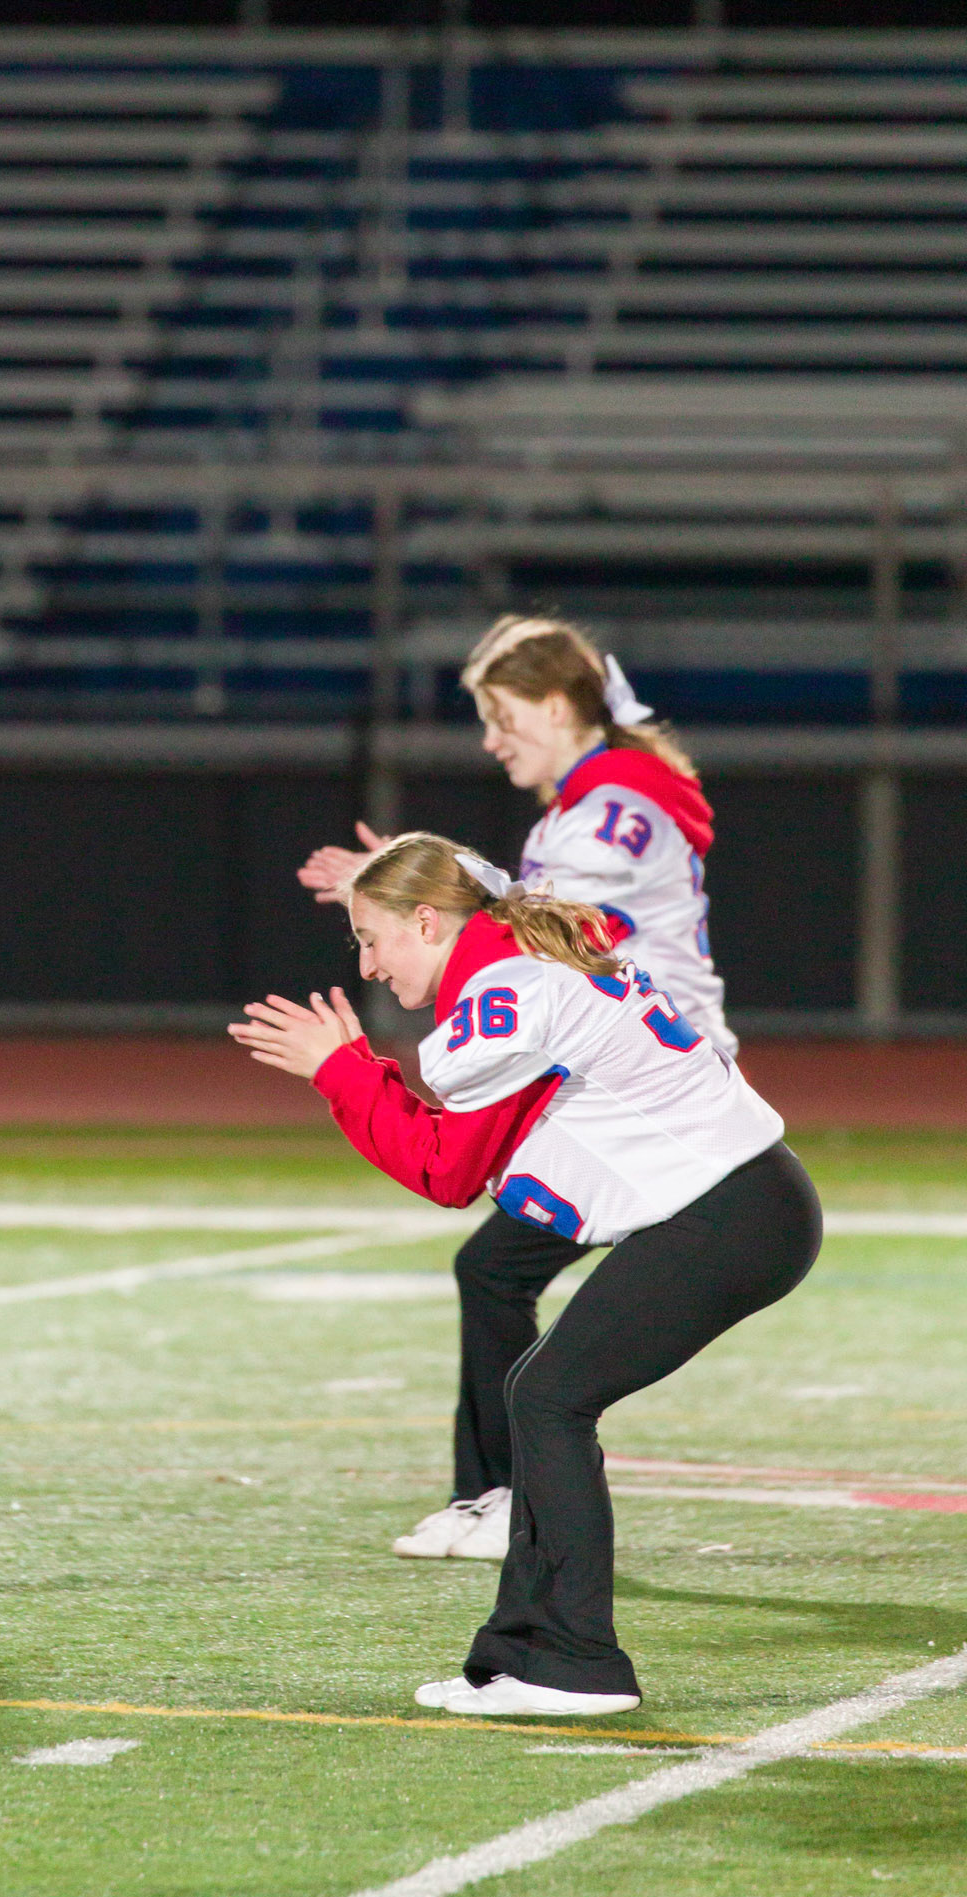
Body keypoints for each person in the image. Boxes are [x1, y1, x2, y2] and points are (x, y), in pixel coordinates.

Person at [232, 832, 819, 1715]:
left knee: (548, 1399)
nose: (368, 964)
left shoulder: (504, 996)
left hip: (725, 1212)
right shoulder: (523, 955)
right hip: (743, 1200)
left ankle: (571, 1662)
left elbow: (445, 1171)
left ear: (425, 922)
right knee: (540, 1391)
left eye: (371, 938)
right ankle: (536, 1655)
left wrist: (340, 1072)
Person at [296, 617, 735, 1564]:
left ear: (557, 704)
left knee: (496, 1271)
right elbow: (524, 909)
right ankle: (499, 1496)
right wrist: (396, 896)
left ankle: (505, 1499)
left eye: (503, 716)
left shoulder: (608, 805)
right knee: (494, 1271)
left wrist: (415, 909)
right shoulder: (595, 800)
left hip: (627, 1087)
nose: (493, 740)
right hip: (617, 1072)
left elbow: (564, 925)